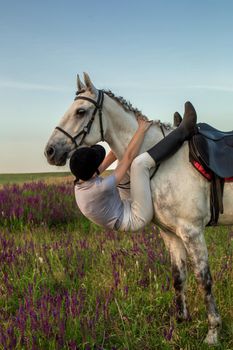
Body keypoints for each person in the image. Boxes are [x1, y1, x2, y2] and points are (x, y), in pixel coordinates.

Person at [69, 102, 197, 232]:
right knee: (138, 164)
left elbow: (114, 156)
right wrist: (141, 129)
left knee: (122, 157)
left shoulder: (82, 178)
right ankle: (182, 132)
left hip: (121, 205)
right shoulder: (99, 188)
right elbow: (128, 158)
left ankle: (173, 132)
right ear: (92, 174)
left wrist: (120, 139)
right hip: (134, 217)